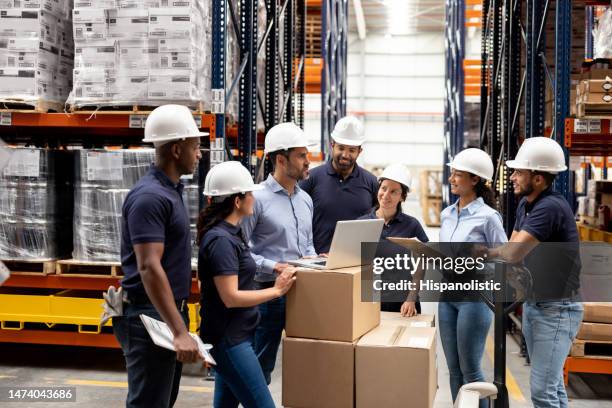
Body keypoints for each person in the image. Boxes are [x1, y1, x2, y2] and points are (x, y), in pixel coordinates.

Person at [113, 104, 205, 407]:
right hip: (150, 317)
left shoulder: (170, 191)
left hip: (165, 313)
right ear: (177, 150)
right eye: (196, 146)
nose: (200, 153)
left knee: (160, 401)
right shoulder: (150, 197)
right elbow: (149, 266)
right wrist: (178, 331)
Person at [486, 137, 583, 408]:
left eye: (519, 172)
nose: (513, 177)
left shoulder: (549, 207)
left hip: (557, 308)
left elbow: (513, 252)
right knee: (552, 389)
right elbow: (511, 246)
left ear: (538, 178)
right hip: (536, 303)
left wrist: (485, 252)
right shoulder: (526, 204)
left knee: (542, 392)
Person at [198, 161, 296, 408]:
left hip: (236, 336)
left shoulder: (232, 233)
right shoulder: (221, 240)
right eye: (250, 193)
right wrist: (276, 290)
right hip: (230, 341)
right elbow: (230, 297)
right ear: (237, 201)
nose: (254, 197)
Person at [241, 122, 317, 385]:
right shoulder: (256, 199)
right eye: (302, 155)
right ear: (281, 160)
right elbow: (240, 251)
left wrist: (316, 260)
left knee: (308, 362)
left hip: (302, 292)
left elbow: (307, 246)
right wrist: (274, 266)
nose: (308, 161)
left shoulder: (305, 200)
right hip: (266, 295)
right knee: (261, 366)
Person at [438, 148, 508, 408]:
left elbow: (506, 256)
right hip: (447, 297)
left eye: (458, 174)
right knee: (453, 370)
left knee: (471, 371)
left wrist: (482, 257)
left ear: (475, 180)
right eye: (452, 173)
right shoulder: (447, 214)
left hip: (475, 298)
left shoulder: (488, 217)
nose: (452, 178)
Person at [299, 116, 378, 254]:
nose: (345, 155)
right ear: (332, 145)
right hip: (316, 262)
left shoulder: (371, 182)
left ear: (360, 151)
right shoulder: (311, 179)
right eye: (341, 148)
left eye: (352, 150)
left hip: (358, 261)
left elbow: (380, 222)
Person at [358, 163, 429, 315]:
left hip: (404, 304)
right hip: (371, 302)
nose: (386, 195)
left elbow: (421, 265)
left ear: (402, 197)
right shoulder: (361, 224)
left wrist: (411, 298)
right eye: (383, 188)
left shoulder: (412, 226)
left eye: (394, 191)